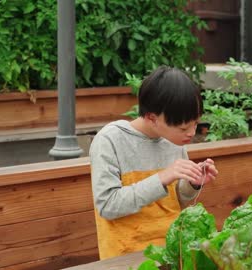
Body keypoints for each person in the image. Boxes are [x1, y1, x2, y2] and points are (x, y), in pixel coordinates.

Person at [89, 66, 218, 260]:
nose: (191, 133)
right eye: (183, 127)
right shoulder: (110, 140)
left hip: (173, 250)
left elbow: (178, 200)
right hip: (126, 255)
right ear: (152, 118)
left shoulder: (175, 139)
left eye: (195, 124)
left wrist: (193, 182)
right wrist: (162, 178)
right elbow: (108, 206)